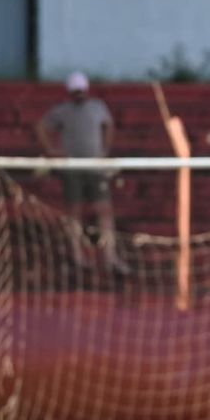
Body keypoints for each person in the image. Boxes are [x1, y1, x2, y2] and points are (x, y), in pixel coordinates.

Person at [36, 72, 129, 273]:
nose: (79, 95)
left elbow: (109, 125)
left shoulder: (97, 107)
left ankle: (109, 256)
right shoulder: (62, 111)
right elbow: (42, 126)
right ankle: (77, 256)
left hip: (94, 166)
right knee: (74, 211)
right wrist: (52, 151)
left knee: (103, 209)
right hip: (73, 168)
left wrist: (105, 150)